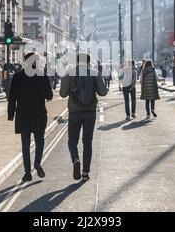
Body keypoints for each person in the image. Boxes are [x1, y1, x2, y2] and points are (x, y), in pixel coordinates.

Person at [60, 53, 108, 181]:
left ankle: (75, 159)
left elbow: (62, 93)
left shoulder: (70, 73)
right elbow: (103, 92)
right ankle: (85, 173)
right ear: (88, 62)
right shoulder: (94, 73)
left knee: (72, 141)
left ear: (76, 61)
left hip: (74, 112)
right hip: (90, 112)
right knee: (87, 142)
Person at [8, 53, 53, 182]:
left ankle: (27, 172)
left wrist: (11, 114)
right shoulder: (41, 76)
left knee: (25, 144)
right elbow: (49, 95)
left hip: (23, 114)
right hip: (39, 113)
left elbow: (12, 97)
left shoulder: (17, 77)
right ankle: (37, 162)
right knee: (39, 140)